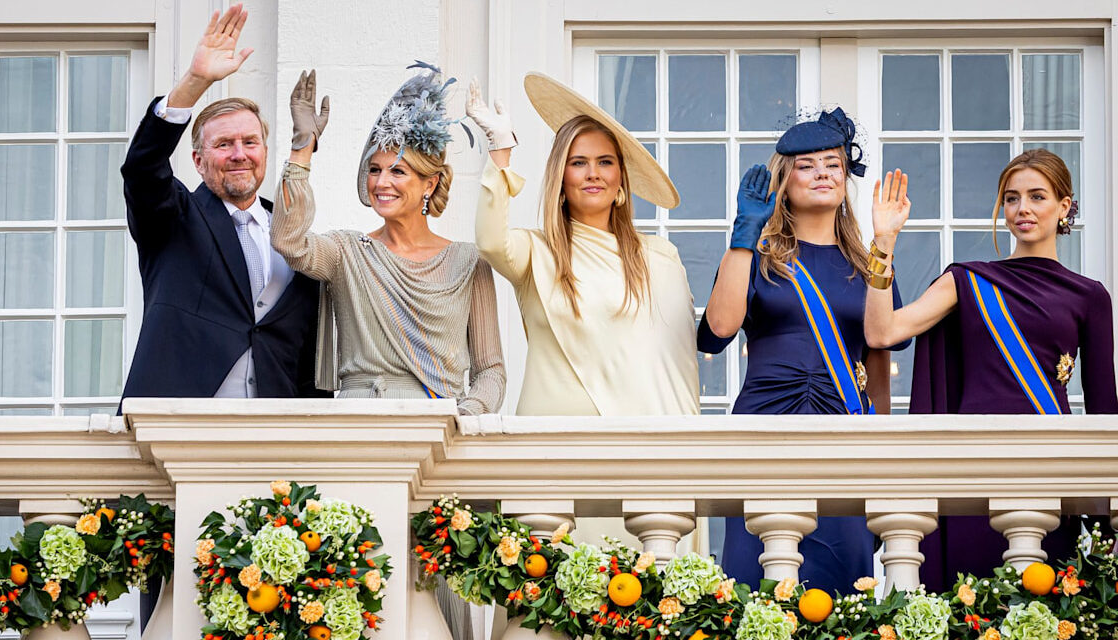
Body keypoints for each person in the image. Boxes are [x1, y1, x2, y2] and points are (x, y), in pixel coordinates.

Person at [863, 147, 1118, 590]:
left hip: (1050, 466)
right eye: (1012, 197)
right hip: (972, 464)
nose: (1023, 209)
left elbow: (1104, 409)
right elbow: (883, 333)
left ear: (1065, 207)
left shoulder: (1090, 296)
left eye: (1037, 196)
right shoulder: (968, 280)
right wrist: (883, 242)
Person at [697, 108, 909, 593]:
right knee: (758, 582)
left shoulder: (867, 262)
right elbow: (716, 332)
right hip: (764, 425)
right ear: (783, 181)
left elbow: (880, 351)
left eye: (833, 164)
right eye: (806, 165)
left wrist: (881, 444)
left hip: (844, 427)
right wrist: (743, 238)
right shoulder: (759, 255)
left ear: (845, 179)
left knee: (842, 579)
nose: (821, 173)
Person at [269, 64, 505, 417]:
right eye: (375, 170)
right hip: (358, 423)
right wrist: (301, 150)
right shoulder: (347, 252)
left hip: (439, 426)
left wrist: (464, 418)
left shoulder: (469, 262)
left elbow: (491, 371)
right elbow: (289, 241)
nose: (381, 183)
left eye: (397, 171)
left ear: (429, 183)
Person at [120, 4, 327, 404]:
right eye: (223, 144)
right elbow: (143, 168)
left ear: (265, 152)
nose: (239, 154)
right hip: (182, 425)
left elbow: (306, 358)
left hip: (276, 438)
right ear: (198, 161)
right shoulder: (173, 218)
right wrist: (195, 83)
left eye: (250, 142)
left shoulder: (295, 237)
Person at [467, 72, 699, 416]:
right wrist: (501, 150)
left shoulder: (660, 256)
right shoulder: (536, 252)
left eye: (605, 162)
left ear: (621, 179)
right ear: (561, 179)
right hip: (552, 447)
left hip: (642, 450)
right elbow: (490, 242)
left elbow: (675, 361)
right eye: (578, 163)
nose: (593, 173)